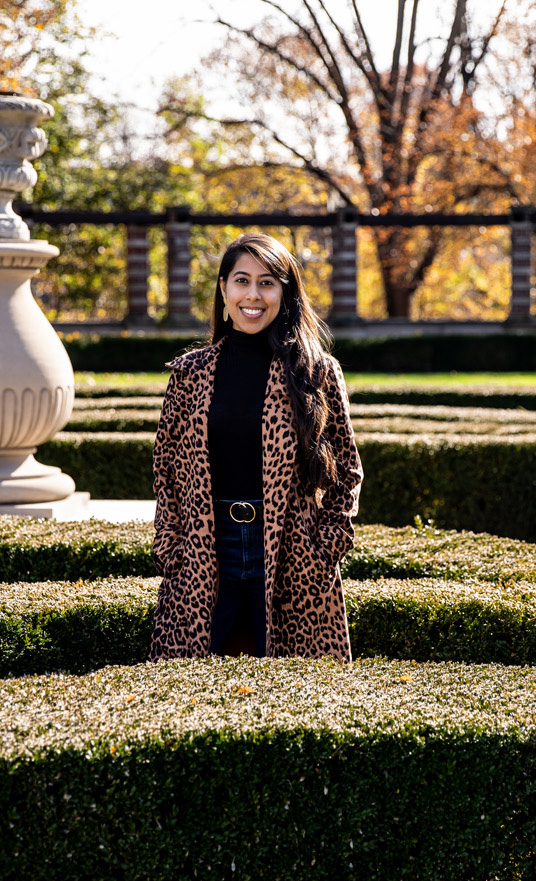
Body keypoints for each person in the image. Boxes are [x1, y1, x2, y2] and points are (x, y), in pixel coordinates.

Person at [149, 232, 363, 662]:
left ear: (286, 293)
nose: (253, 294)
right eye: (242, 280)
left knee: (298, 700)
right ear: (224, 288)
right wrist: (171, 545)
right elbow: (165, 468)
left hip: (293, 550)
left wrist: (328, 545)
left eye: (267, 282)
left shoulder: (315, 372)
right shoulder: (189, 374)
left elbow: (348, 470)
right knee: (187, 693)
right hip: (205, 550)